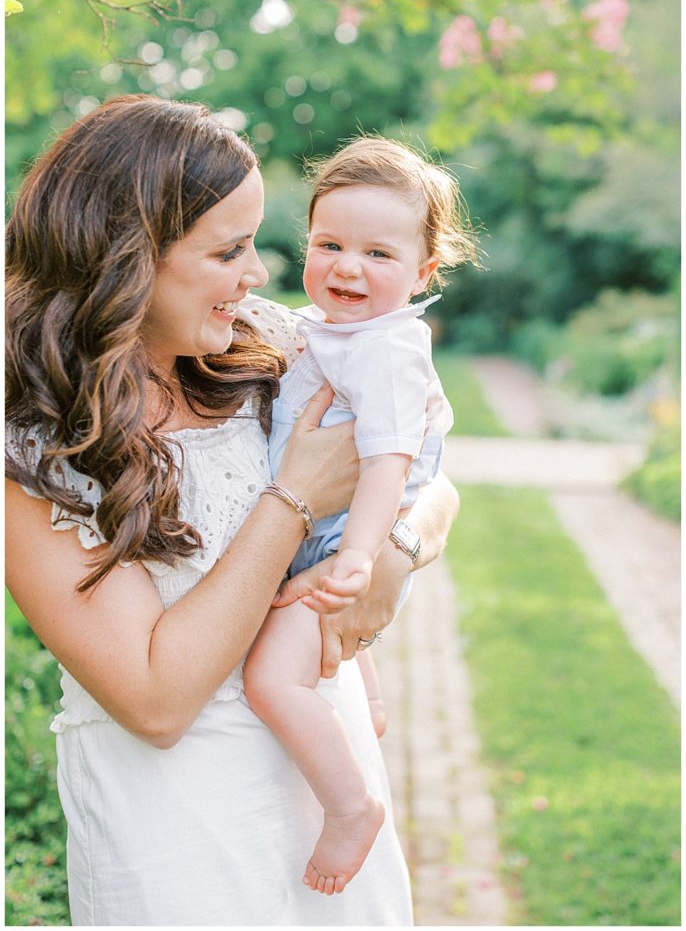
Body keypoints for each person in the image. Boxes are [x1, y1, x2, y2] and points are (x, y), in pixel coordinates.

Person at [5, 94, 460, 927]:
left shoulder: (266, 342)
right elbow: (155, 700)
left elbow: (433, 480)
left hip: (325, 770)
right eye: (228, 251)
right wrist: (293, 499)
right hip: (180, 819)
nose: (257, 275)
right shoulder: (32, 446)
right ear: (125, 261)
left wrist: (393, 553)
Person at [243, 137, 477, 896]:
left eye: (378, 253)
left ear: (424, 273)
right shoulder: (333, 327)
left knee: (273, 681)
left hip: (350, 538)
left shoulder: (386, 351)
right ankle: (367, 694)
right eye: (329, 243)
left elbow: (388, 462)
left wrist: (362, 557)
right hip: (331, 535)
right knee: (315, 645)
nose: (347, 267)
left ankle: (351, 807)